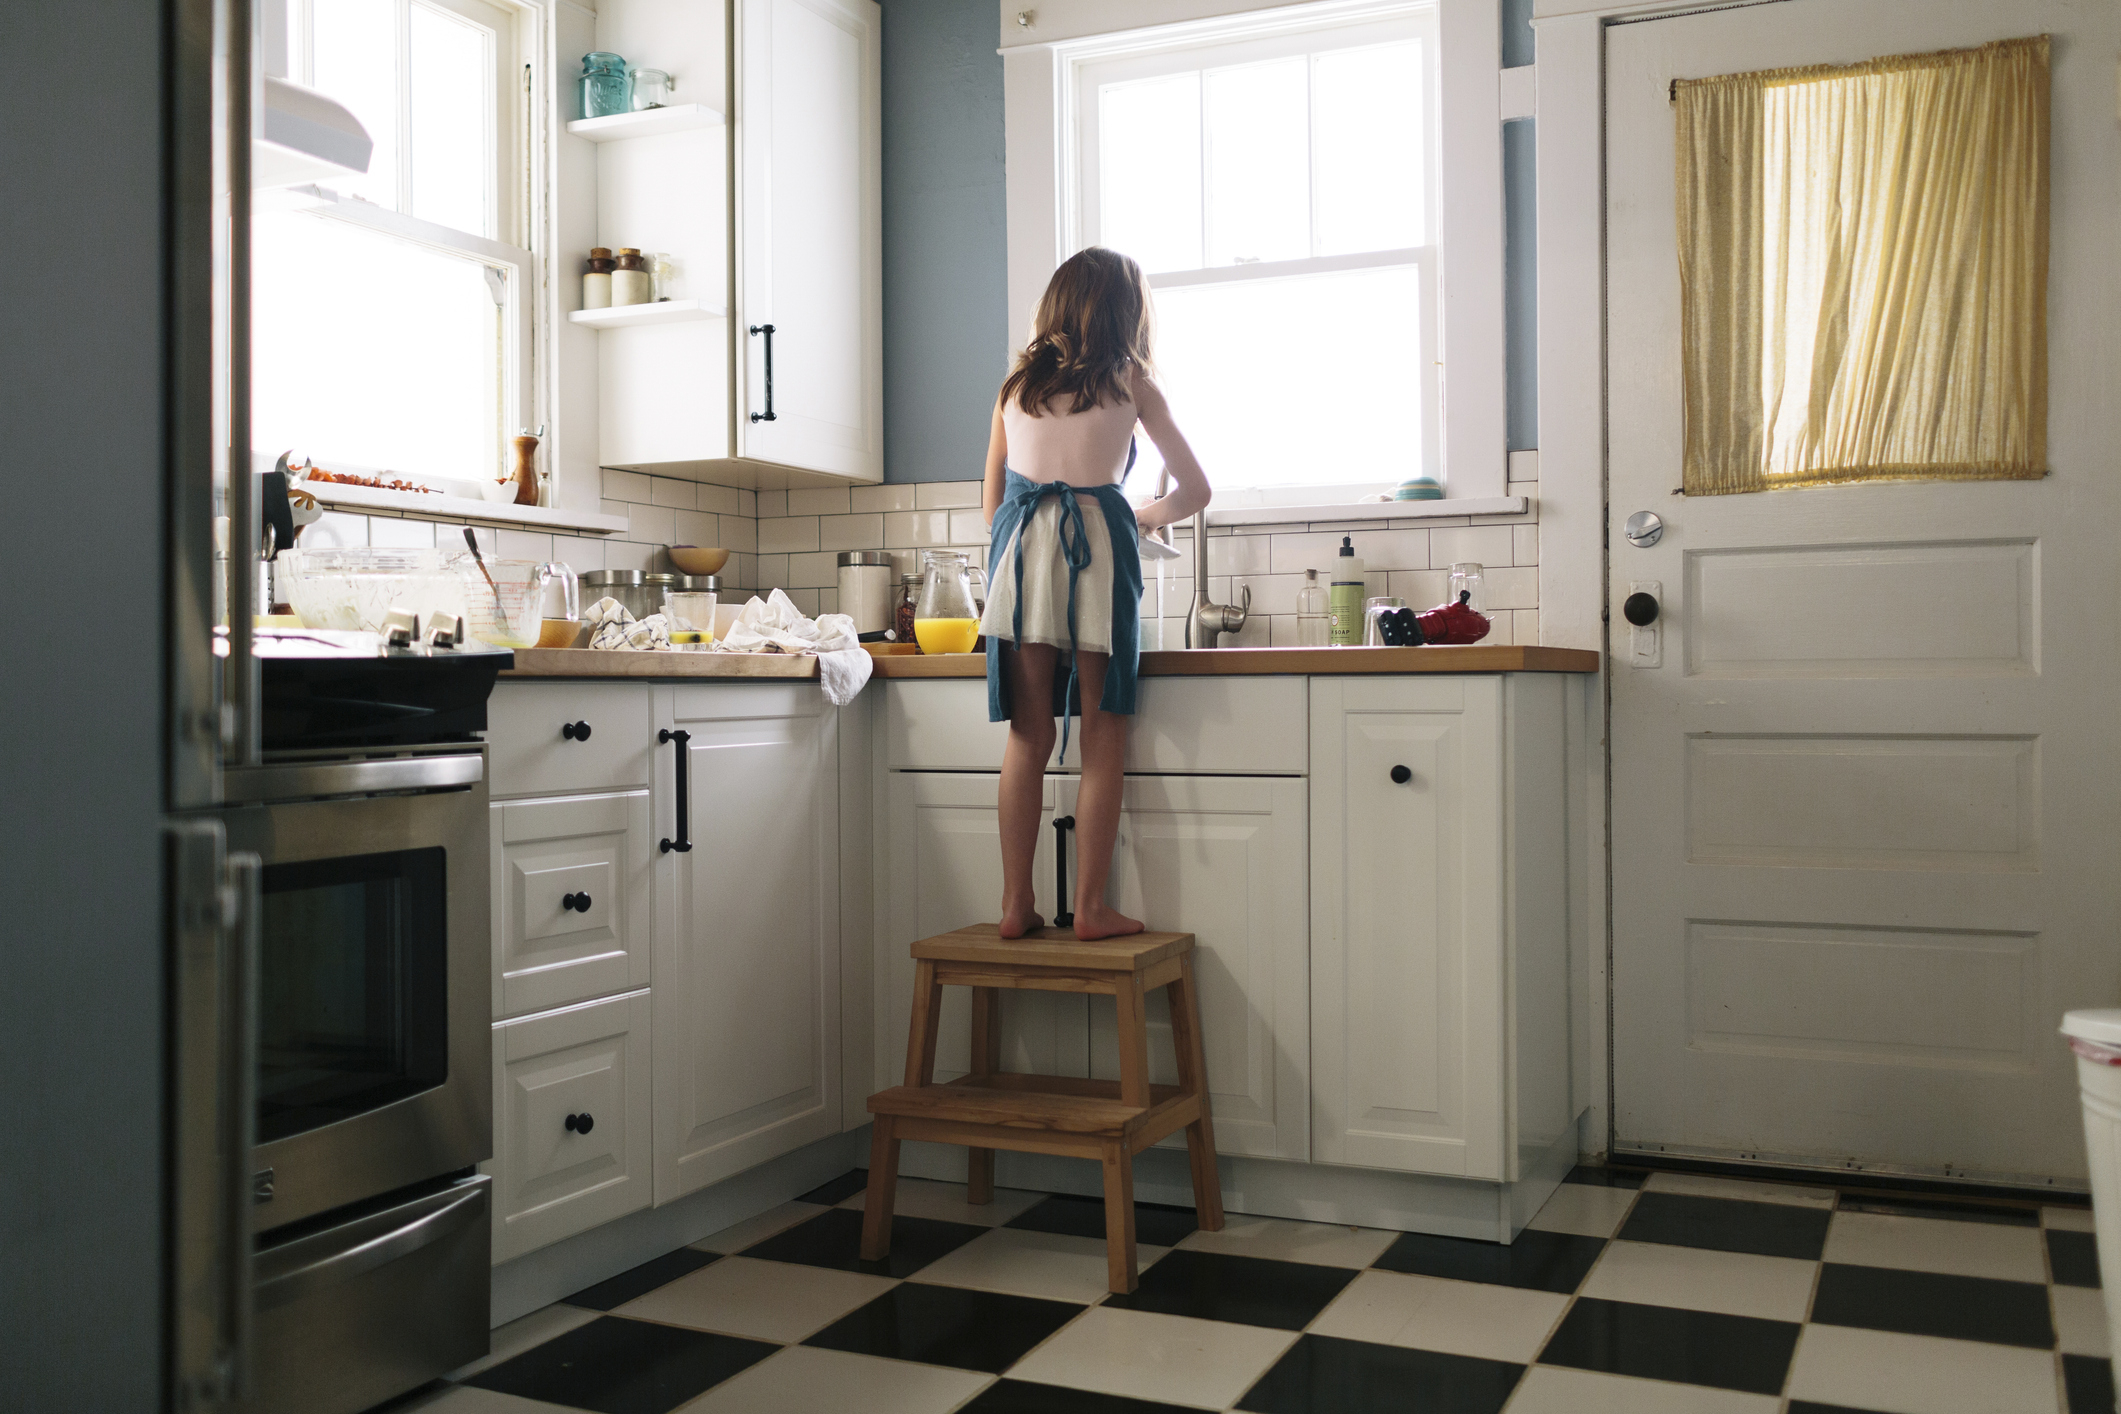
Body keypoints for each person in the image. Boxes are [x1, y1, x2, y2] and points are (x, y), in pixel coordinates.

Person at [979, 247, 1212, 941]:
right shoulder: (1130, 379)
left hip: (1020, 555)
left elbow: (991, 505)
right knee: (1102, 733)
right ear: (1126, 311)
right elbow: (1196, 490)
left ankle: (1015, 905)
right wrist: (1138, 516)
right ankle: (1089, 908)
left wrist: (1029, 542)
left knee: (1028, 735)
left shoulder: (1014, 385)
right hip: (1098, 551)